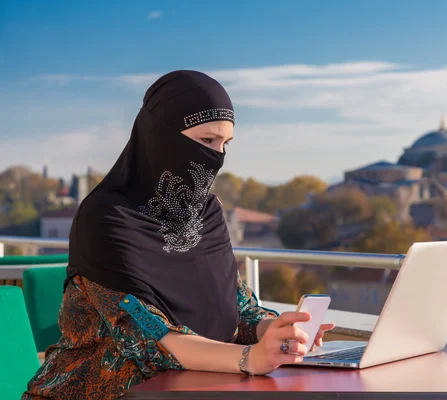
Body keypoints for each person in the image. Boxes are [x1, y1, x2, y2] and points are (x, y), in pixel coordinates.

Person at [23, 70, 335, 400]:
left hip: (198, 388)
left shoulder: (208, 213)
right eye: (206, 141)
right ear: (161, 135)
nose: (218, 156)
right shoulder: (106, 218)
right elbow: (151, 338)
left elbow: (238, 310)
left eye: (225, 144)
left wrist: (276, 332)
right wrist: (250, 359)